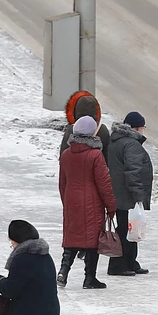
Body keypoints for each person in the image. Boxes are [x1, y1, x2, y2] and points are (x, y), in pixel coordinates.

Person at [57, 116, 116, 289]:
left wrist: (66, 201)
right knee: (92, 241)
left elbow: (62, 182)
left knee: (71, 238)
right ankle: (90, 278)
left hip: (71, 201)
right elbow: (104, 183)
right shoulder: (95, 155)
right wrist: (111, 207)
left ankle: (63, 272)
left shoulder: (66, 154)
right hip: (92, 203)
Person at [107, 111, 154, 276]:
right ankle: (118, 265)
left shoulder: (116, 141)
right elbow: (133, 172)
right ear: (138, 127)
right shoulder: (131, 144)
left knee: (128, 228)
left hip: (118, 193)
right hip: (127, 195)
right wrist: (138, 195)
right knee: (126, 230)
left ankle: (130, 262)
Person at [60, 90, 110, 163]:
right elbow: (108, 156)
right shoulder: (102, 129)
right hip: (95, 171)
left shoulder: (71, 129)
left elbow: (63, 156)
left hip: (74, 171)